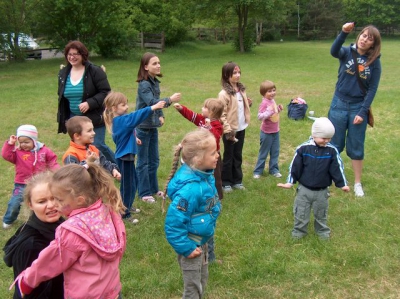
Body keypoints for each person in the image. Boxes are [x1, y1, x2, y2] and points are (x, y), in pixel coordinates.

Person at [10, 163, 126, 299]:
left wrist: (26, 281)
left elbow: (50, 261)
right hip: (111, 291)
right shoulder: (107, 212)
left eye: (58, 200)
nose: (54, 205)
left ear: (79, 200)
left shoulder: (73, 230)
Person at [164, 129, 221, 299]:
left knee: (202, 281)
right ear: (197, 159)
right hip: (191, 245)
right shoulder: (190, 190)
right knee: (193, 288)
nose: (217, 155)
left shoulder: (204, 176)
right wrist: (187, 248)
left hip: (201, 241)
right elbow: (173, 225)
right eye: (213, 152)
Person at [328, 22, 382, 197]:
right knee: (334, 144)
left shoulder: (374, 62)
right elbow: (333, 51)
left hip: (358, 106)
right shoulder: (346, 52)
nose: (365, 40)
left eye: (370, 39)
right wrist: (343, 32)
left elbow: (372, 89)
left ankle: (357, 183)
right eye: (364, 35)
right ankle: (330, 179)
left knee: (356, 145)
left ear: (373, 44)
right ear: (359, 36)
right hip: (339, 103)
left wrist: (362, 112)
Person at [277, 117, 350, 239]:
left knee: (321, 213)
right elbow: (295, 167)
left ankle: (322, 231)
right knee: (301, 212)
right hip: (304, 190)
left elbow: (337, 168)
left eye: (329, 138)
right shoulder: (303, 149)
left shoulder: (331, 151)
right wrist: (289, 182)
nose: (326, 141)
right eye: (323, 138)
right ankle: (299, 231)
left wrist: (342, 184)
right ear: (314, 134)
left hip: (322, 191)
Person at [104, 91, 165, 223]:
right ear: (114, 108)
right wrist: (152, 107)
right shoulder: (120, 120)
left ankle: (128, 206)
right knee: (128, 186)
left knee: (134, 182)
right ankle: (123, 213)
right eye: (123, 105)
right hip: (124, 158)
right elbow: (135, 117)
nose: (126, 107)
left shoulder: (121, 120)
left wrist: (135, 138)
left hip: (128, 156)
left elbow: (127, 131)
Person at [3, 172, 64, 299]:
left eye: (55, 198)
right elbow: (29, 293)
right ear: (30, 205)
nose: (51, 205)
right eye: (42, 201)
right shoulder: (31, 245)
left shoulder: (62, 223)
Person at [57, 40, 116, 164]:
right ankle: (86, 170)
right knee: (81, 146)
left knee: (97, 145)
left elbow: (106, 92)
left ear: (83, 55)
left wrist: (90, 103)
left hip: (94, 116)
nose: (72, 57)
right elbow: (62, 95)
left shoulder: (94, 71)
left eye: (75, 54)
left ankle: (119, 166)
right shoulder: (63, 73)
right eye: (69, 54)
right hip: (74, 117)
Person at [135, 52, 181, 203]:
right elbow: (151, 102)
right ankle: (144, 193)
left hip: (152, 126)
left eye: (159, 63)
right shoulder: (144, 84)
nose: (158, 65)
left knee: (154, 160)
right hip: (142, 127)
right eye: (154, 63)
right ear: (146, 67)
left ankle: (154, 190)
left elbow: (156, 105)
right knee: (143, 162)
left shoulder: (154, 82)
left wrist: (161, 114)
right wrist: (170, 100)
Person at [2, 125, 59, 229]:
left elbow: (52, 160)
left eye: (26, 142)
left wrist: (56, 170)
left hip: (39, 184)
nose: (23, 145)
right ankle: (8, 219)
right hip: (21, 183)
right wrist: (10, 144)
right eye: (21, 142)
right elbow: (6, 155)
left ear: (34, 140)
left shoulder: (44, 150)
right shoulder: (17, 152)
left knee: (38, 202)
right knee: (14, 203)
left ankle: (39, 220)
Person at [173, 98, 224, 200]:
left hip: (213, 156)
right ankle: (202, 194)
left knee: (215, 177)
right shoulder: (201, 120)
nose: (202, 108)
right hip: (201, 154)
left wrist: (209, 127)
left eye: (205, 107)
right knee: (201, 174)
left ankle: (217, 197)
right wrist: (181, 109)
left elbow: (217, 136)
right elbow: (192, 116)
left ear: (212, 112)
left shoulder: (217, 125)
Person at [218, 61, 251, 193]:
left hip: (241, 127)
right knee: (229, 156)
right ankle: (226, 182)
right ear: (227, 75)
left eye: (239, 72)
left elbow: (238, 107)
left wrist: (248, 103)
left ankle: (237, 180)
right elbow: (222, 114)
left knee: (238, 155)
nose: (238, 75)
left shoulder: (241, 90)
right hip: (230, 130)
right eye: (234, 73)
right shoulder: (224, 94)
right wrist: (228, 130)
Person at [62, 116, 121, 180]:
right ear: (77, 136)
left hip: (96, 187)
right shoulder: (71, 155)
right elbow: (73, 176)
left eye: (93, 129)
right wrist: (88, 162)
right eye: (89, 131)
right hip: (81, 189)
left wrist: (113, 170)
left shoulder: (93, 149)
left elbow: (104, 164)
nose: (94, 133)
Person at [253, 80, 283, 179]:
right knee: (264, 152)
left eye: (274, 90)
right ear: (263, 93)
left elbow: (273, 112)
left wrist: (278, 109)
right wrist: (269, 112)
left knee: (275, 152)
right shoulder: (264, 103)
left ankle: (274, 170)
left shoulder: (272, 101)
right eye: (269, 91)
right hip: (266, 133)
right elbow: (260, 116)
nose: (272, 93)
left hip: (275, 131)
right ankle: (258, 171)